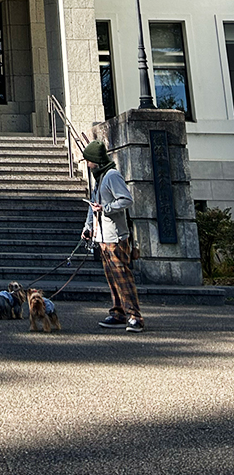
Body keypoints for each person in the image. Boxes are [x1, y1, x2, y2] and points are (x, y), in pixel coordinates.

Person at [81, 140, 145, 333]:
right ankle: (118, 313)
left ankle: (135, 317)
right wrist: (88, 227)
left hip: (115, 237)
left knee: (123, 277)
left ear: (97, 161)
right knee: (112, 278)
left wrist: (106, 209)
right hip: (102, 237)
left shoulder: (111, 176)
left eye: (89, 160)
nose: (88, 164)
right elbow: (93, 205)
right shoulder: (99, 178)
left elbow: (126, 199)